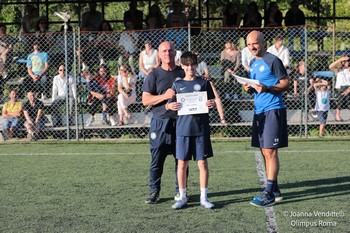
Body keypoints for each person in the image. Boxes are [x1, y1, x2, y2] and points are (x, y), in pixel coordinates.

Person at [243, 31, 289, 207]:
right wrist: (250, 88)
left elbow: (285, 83)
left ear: (263, 43)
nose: (252, 47)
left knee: (270, 152)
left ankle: (269, 193)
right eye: (248, 44)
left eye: (255, 43)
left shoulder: (273, 60)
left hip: (273, 110)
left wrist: (268, 88)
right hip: (259, 112)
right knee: (264, 151)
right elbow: (258, 86)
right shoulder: (253, 63)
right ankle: (275, 189)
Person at [167, 51, 216, 209]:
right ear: (182, 65)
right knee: (182, 164)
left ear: (197, 65)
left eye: (193, 65)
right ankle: (182, 197)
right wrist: (170, 105)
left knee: (202, 163)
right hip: (183, 130)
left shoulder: (204, 82)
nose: (190, 68)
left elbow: (211, 101)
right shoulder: (177, 84)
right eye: (187, 65)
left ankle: (204, 197)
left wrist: (211, 104)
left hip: (201, 129)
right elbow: (169, 104)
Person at [142, 41, 185, 204]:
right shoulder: (153, 75)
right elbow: (145, 100)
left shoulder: (182, 73)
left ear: (175, 53)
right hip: (160, 123)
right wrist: (164, 96)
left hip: (180, 123)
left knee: (180, 160)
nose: (168, 53)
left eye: (171, 50)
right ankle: (154, 191)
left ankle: (180, 191)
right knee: (157, 160)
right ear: (159, 54)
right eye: (164, 51)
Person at [195, 52, 228, 126]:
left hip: (203, 81)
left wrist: (204, 77)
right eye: (196, 55)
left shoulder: (202, 63)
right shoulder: (190, 64)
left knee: (217, 98)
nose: (197, 56)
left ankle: (222, 118)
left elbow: (207, 74)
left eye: (198, 54)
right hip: (195, 84)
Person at [328, 55, 350, 121]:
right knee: (340, 101)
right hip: (340, 88)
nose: (347, 62)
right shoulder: (338, 69)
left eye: (348, 61)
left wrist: (348, 90)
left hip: (348, 87)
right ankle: (337, 115)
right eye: (345, 61)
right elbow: (330, 66)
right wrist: (340, 59)